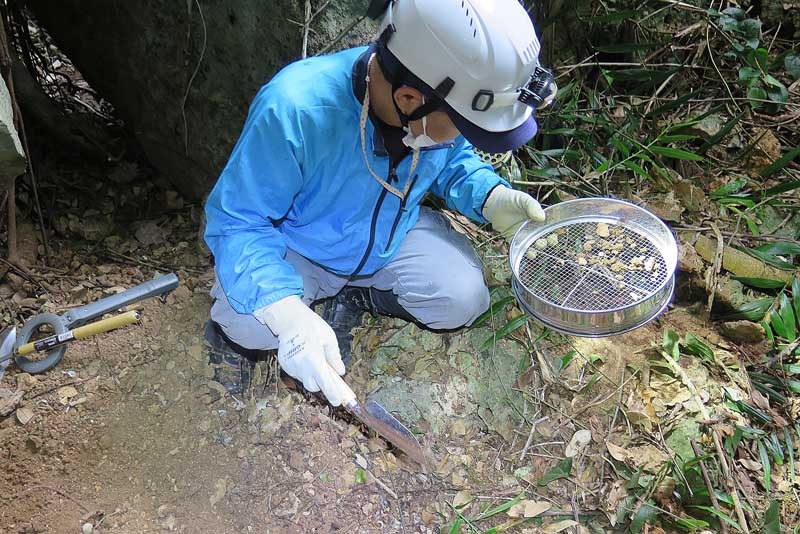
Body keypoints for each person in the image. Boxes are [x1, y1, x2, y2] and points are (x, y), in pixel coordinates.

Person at [203, 0, 557, 402]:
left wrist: (490, 197)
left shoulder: (430, 111)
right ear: (409, 99)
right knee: (249, 323)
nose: (464, 138)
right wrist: (287, 316)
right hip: (300, 247)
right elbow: (236, 220)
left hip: (393, 235)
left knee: (463, 297)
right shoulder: (296, 109)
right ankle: (274, 319)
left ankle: (354, 295)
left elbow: (451, 159)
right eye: (463, 126)